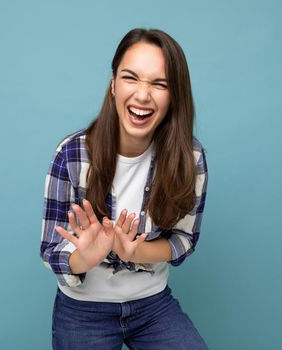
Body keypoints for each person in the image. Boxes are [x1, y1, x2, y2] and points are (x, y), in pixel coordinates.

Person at [40, 28, 209, 350]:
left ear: (175, 96)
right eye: (131, 78)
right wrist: (86, 257)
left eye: (159, 84)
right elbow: (51, 250)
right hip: (82, 311)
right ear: (113, 85)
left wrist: (134, 251)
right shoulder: (72, 154)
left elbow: (184, 239)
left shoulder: (191, 157)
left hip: (152, 305)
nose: (143, 95)